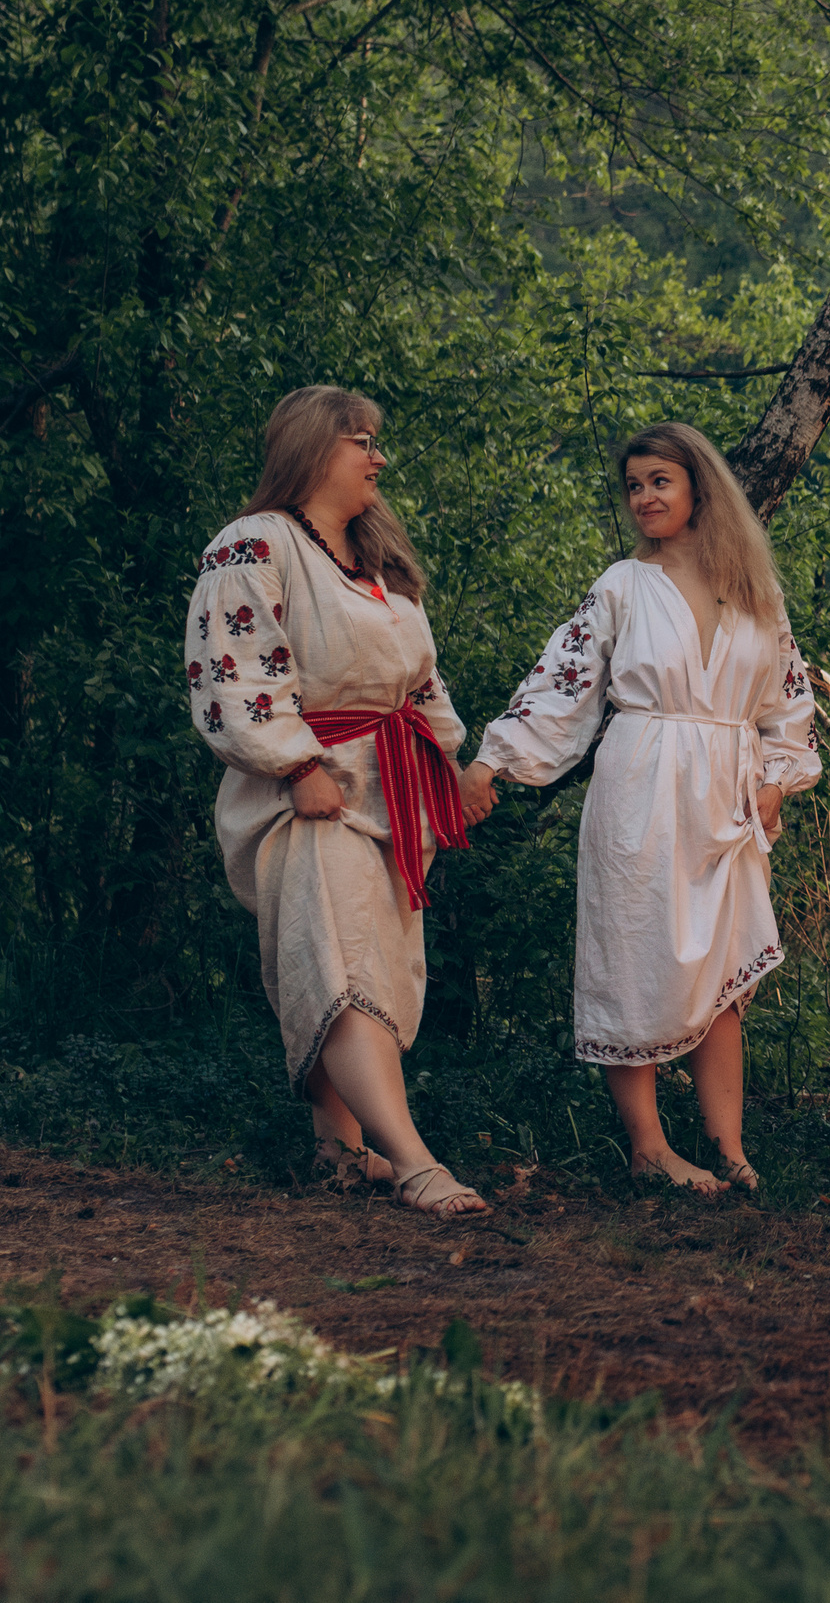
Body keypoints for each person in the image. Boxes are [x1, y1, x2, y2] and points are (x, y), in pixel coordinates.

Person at [462, 422, 821, 1193]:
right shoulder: (621, 586)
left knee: (721, 974)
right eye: (633, 485)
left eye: (659, 479)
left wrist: (776, 781)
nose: (644, 497)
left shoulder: (756, 593)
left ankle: (730, 1148)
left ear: (698, 486)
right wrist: (494, 759)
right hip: (641, 792)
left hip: (726, 797)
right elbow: (562, 685)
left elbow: (787, 705)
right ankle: (650, 1148)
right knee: (636, 960)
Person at [185, 386, 496, 1218]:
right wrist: (293, 768)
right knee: (341, 966)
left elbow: (421, 679)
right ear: (315, 447)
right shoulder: (253, 545)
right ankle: (418, 1160)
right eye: (362, 441)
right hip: (310, 795)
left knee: (370, 971)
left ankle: (341, 1151)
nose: (378, 457)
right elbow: (233, 672)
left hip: (393, 789)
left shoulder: (376, 560)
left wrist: (449, 768)